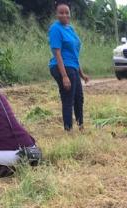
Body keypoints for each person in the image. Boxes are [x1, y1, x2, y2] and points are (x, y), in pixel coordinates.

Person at [49, 0, 90, 132]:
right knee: (68, 99)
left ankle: (81, 126)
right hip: (62, 67)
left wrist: (82, 74)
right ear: (56, 14)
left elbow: (74, 55)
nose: (64, 15)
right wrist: (64, 76)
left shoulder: (70, 29)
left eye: (67, 12)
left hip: (72, 67)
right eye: (61, 13)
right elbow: (57, 53)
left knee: (79, 98)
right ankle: (68, 130)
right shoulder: (55, 29)